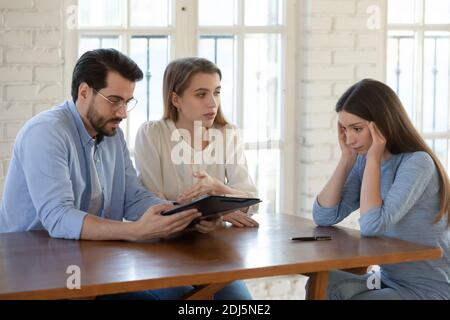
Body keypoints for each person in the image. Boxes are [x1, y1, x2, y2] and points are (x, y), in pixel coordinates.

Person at [0, 49, 248, 300]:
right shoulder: (47, 132)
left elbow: (133, 196)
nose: (123, 112)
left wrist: (186, 215)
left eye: (128, 102)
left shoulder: (112, 134)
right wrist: (135, 231)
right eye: (114, 100)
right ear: (84, 92)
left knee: (211, 292)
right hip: (36, 271)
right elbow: (59, 216)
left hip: (95, 261)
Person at [309, 79, 450, 300]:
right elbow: (324, 215)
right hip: (386, 278)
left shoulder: (417, 163)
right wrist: (347, 159)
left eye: (357, 129)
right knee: (324, 283)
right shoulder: (363, 161)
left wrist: (373, 158)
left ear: (382, 125)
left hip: (426, 289)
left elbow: (372, 225)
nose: (350, 138)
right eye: (345, 129)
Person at [134, 57, 259, 228]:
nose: (212, 103)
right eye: (201, 94)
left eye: (216, 92)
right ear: (176, 100)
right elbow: (152, 204)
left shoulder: (227, 133)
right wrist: (214, 212)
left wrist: (217, 188)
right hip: (165, 244)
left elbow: (250, 201)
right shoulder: (152, 134)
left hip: (217, 245)